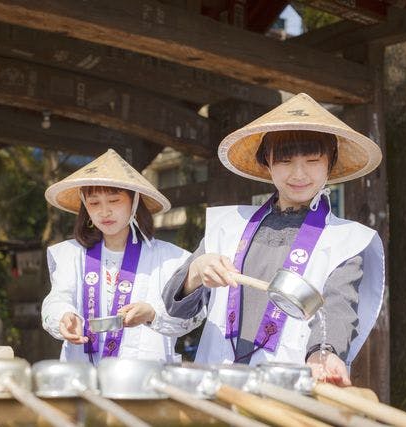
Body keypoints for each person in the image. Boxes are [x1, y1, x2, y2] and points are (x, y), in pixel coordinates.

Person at [162, 93, 385, 385]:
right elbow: (174, 309)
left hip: (287, 391)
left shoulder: (347, 240)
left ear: (330, 163)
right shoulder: (227, 226)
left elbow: (337, 306)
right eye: (284, 161)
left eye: (313, 160)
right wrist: (195, 272)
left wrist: (324, 353)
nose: (299, 173)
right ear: (266, 162)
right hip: (215, 385)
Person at [42, 149, 202, 364]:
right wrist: (64, 316)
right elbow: (58, 298)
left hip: (146, 379)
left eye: (114, 200)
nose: (104, 212)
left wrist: (152, 314)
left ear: (134, 202)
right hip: (82, 379)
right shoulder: (70, 254)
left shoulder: (172, 259)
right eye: (94, 203)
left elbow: (193, 317)